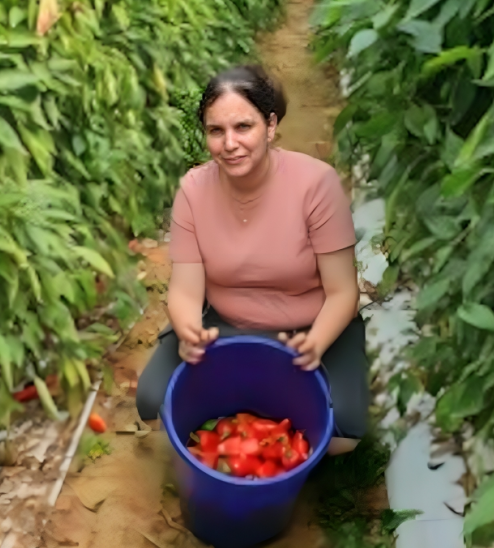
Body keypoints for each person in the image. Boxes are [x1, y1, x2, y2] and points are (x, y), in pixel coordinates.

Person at [137, 65, 368, 455]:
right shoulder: (194, 191)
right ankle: (257, 427)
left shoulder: (316, 185)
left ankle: (258, 424)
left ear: (271, 125)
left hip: (306, 330)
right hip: (226, 326)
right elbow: (185, 289)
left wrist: (314, 344)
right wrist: (191, 332)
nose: (230, 143)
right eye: (216, 131)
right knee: (152, 402)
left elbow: (344, 292)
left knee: (342, 433)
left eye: (244, 127)